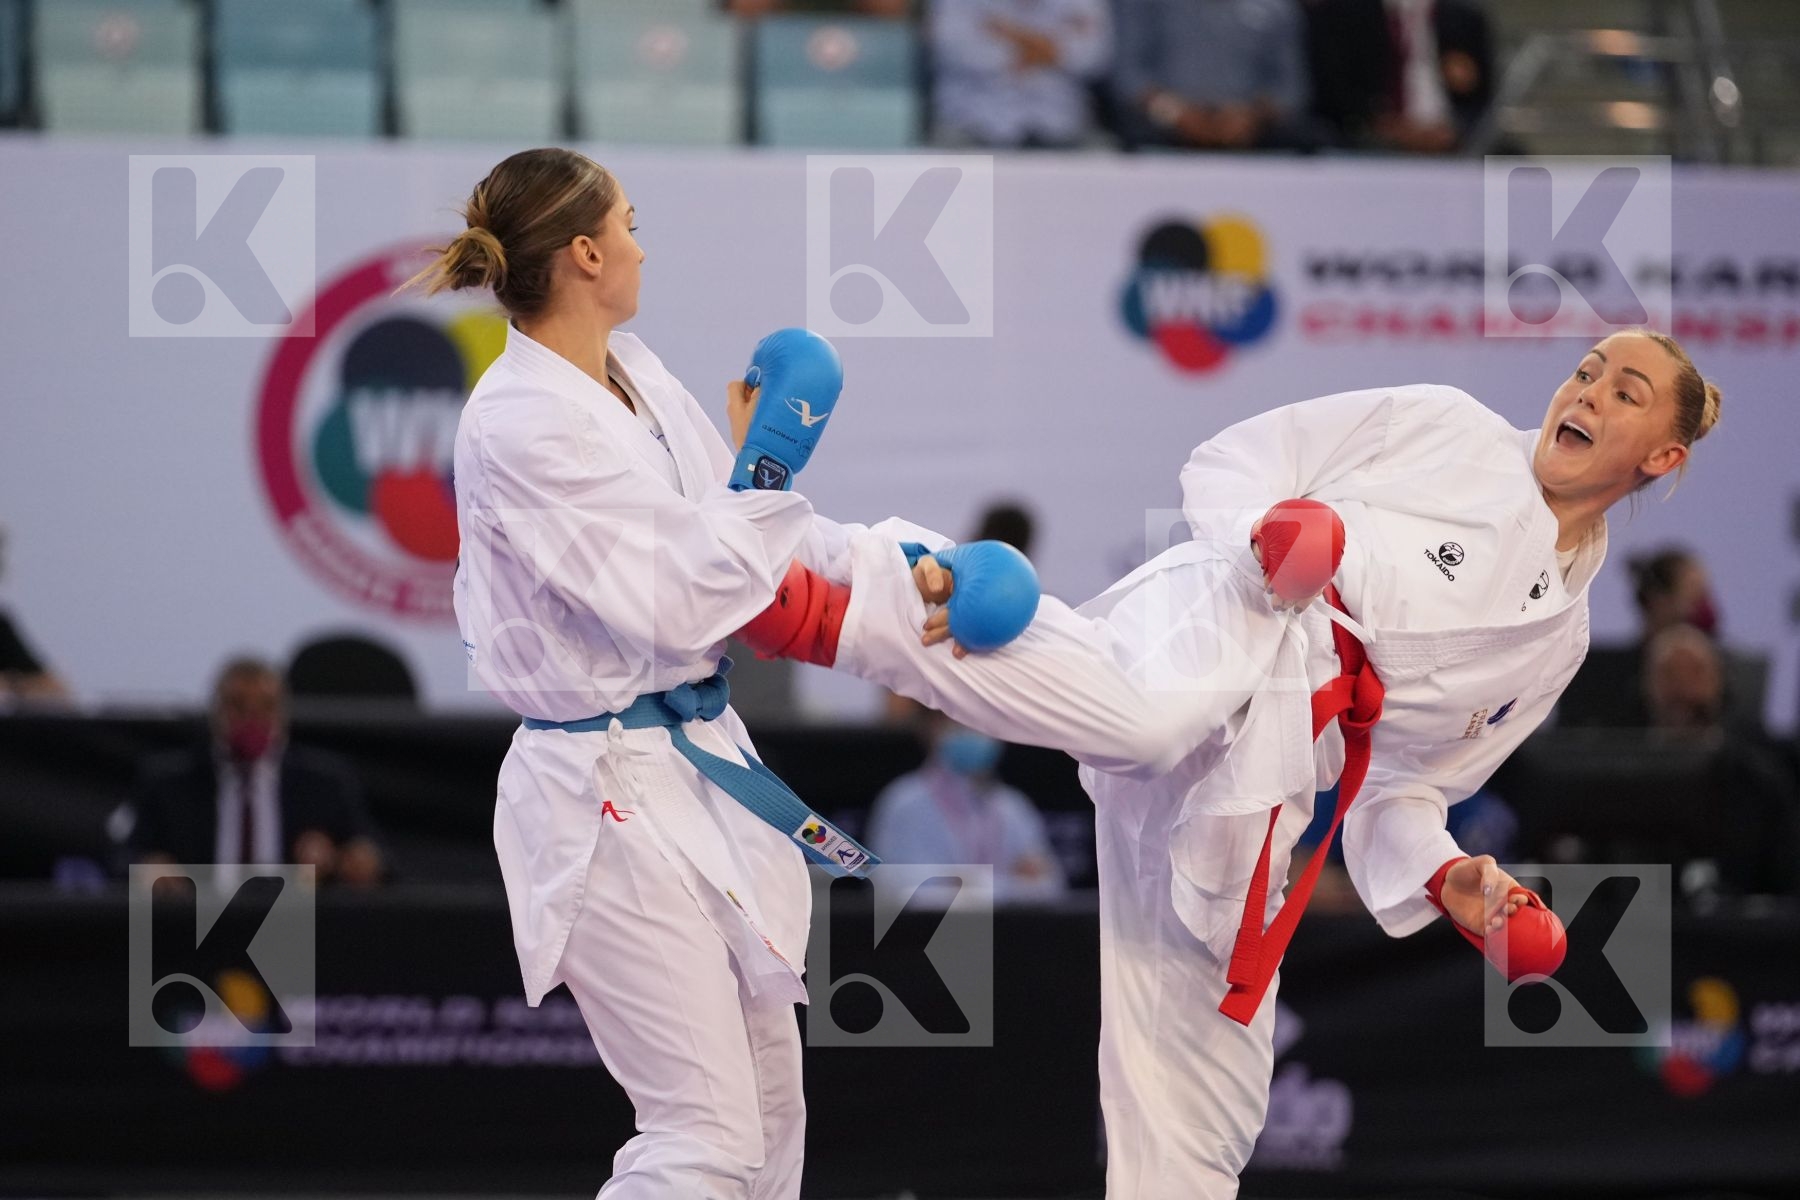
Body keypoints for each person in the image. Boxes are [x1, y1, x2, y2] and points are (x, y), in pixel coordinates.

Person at [803, 328, 1721, 1197]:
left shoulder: (1556, 643)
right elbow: (1232, 459)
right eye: (1588, 370)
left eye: (1624, 392)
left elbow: (1402, 789)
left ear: (1661, 456)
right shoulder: (1449, 429)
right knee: (1149, 724)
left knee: (1208, 1088)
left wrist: (1450, 880)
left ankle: (937, 595)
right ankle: (832, 588)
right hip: (1238, 617)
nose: (1588, 391)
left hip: (1272, 775)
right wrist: (1268, 542)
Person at [415, 148, 1046, 1200]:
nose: (641, 242)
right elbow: (680, 598)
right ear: (584, 253)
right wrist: (770, 463)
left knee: (767, 1112)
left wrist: (902, 561)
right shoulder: (518, 422)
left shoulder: (639, 374)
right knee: (700, 1132)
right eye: (629, 221)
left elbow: (751, 535)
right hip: (600, 782)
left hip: (701, 758)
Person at [122, 657, 384, 885]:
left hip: (296, 927)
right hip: (196, 926)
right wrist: (148, 866)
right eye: (238, 706)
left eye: (266, 707)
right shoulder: (168, 781)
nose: (252, 718)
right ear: (216, 711)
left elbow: (375, 856)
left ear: (283, 714)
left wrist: (346, 859)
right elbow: (122, 856)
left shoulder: (325, 782)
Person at [868, 709, 1067, 901]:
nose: (971, 729)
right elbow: (896, 888)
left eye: (980, 719)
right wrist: (1002, 884)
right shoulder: (903, 802)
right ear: (930, 727)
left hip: (1006, 932)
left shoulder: (1012, 806)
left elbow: (1049, 887)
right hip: (930, 934)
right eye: (957, 719)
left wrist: (962, 883)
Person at [1112, 0, 1315, 151]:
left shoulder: (1277, 8)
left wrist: (1252, 117)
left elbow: (1291, 87)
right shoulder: (1145, 5)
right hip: (1164, 125)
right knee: (1132, 135)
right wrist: (1176, 113)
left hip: (1251, 127)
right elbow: (1128, 73)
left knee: (1306, 137)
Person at [928, 0, 1113, 149]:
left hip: (1063, 126)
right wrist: (1049, 47)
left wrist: (1011, 34)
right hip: (973, 125)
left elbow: (1094, 56)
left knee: (1104, 158)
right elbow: (956, 50)